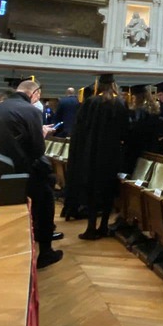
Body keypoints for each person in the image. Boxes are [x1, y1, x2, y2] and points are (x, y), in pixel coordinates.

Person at [0, 80, 62, 268]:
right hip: (14, 171)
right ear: (35, 93)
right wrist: (42, 134)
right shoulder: (32, 111)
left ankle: (36, 233)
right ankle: (45, 249)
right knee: (46, 189)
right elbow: (37, 150)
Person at [66, 74, 130, 238]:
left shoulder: (91, 102)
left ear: (99, 85)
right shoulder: (120, 104)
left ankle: (91, 227)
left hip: (92, 153)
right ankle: (103, 226)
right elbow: (125, 131)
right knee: (107, 191)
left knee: (92, 190)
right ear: (114, 85)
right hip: (112, 155)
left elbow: (80, 128)